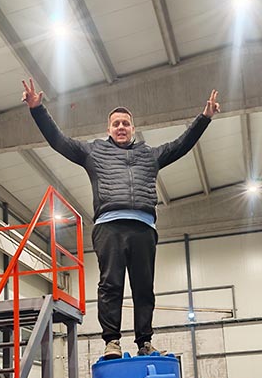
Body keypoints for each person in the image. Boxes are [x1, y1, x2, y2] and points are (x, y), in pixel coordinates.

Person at [22, 78, 220, 358]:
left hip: (143, 228)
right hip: (109, 226)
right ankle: (112, 342)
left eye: (126, 123)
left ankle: (144, 343)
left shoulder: (150, 155)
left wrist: (205, 118)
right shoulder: (93, 152)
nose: (121, 127)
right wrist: (37, 110)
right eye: (116, 124)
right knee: (110, 284)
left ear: (133, 129)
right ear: (109, 129)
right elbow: (59, 141)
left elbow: (181, 145)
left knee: (144, 288)